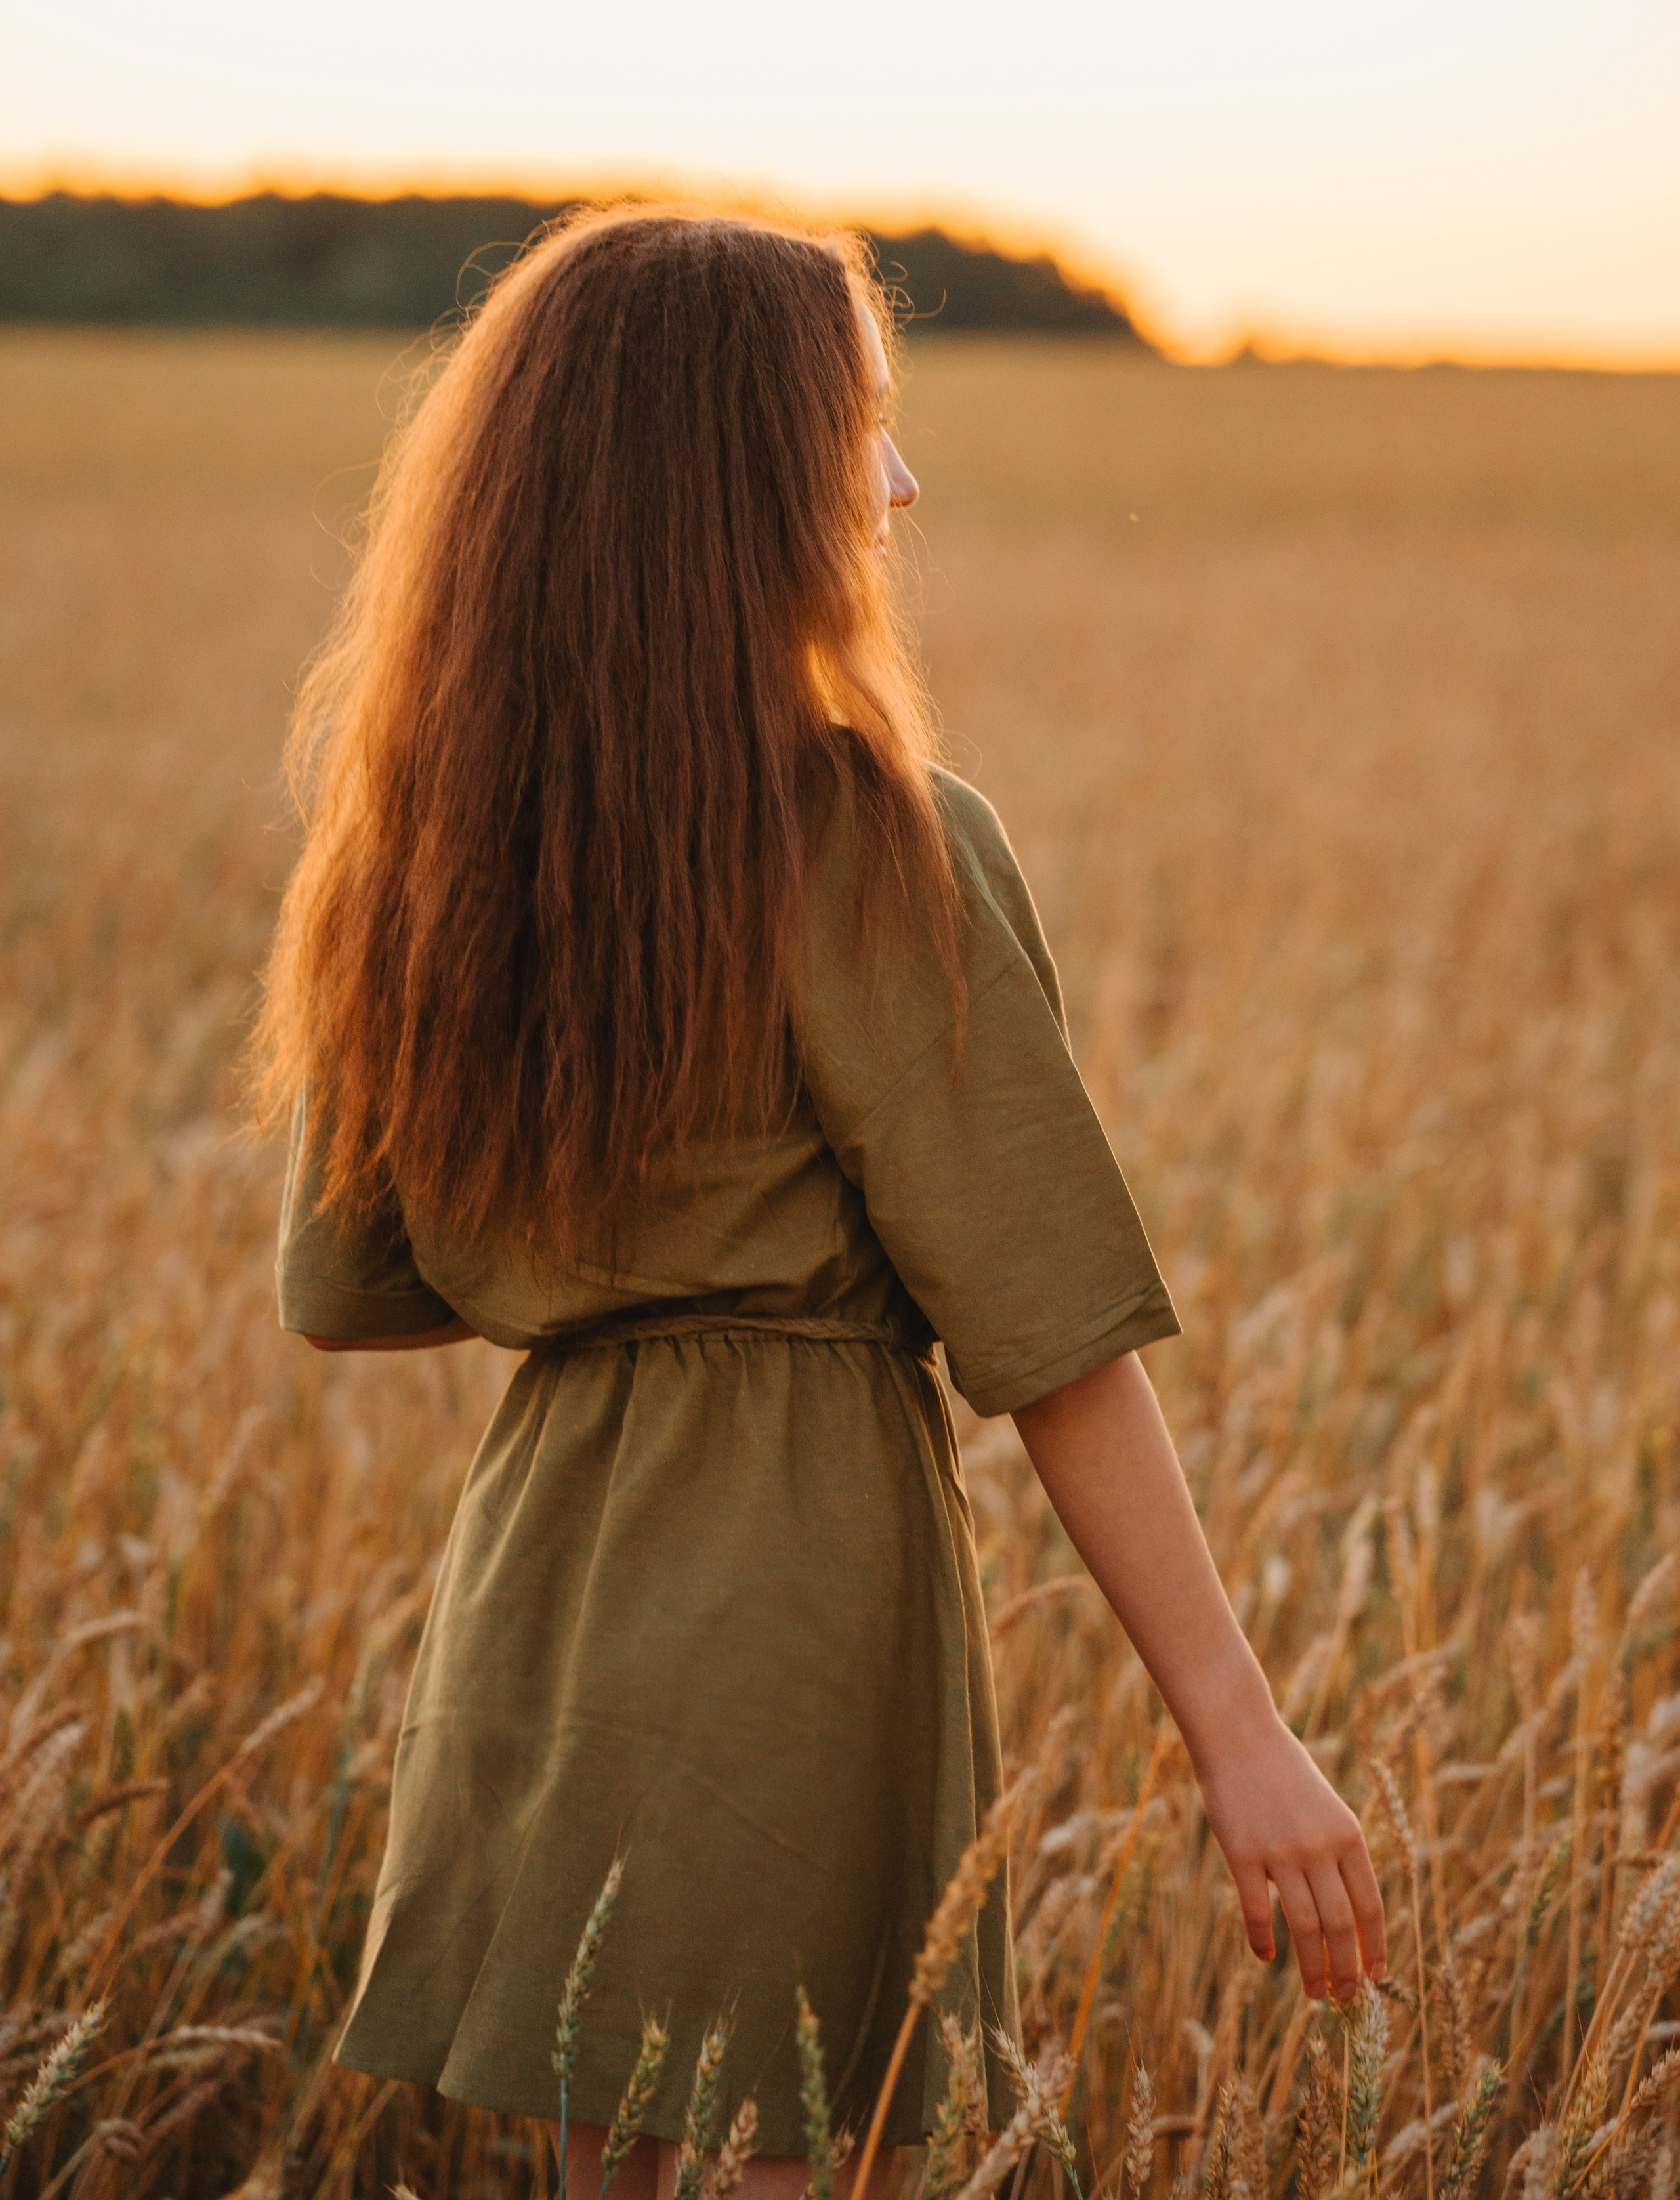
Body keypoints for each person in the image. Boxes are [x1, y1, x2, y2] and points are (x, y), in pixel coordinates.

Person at [258, 206, 1385, 2200]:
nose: (902, 480)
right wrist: (1243, 1735)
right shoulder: (868, 840)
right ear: (733, 480)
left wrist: (629, 1262)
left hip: (546, 1589)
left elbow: (348, 1288)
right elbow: (1051, 1331)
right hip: (792, 1594)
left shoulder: (420, 854)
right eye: (863, 426)